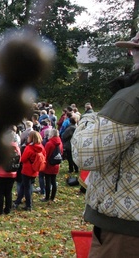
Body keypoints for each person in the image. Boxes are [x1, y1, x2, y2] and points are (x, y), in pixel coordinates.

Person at [72, 33, 139, 257]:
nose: (132, 56)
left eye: (134, 50)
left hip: (125, 230)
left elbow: (85, 154)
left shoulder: (130, 99)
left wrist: (88, 118)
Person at [13, 131, 46, 211]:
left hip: (27, 170)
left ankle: (29, 205)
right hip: (35, 170)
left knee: (26, 188)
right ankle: (17, 201)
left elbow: (23, 159)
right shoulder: (41, 147)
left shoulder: (29, 148)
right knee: (23, 186)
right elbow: (44, 156)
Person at [0, 129, 20, 215]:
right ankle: (8, 209)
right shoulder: (16, 147)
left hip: (0, 172)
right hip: (12, 173)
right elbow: (20, 159)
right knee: (8, 192)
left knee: (0, 192)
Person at [41, 129, 62, 202]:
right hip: (56, 164)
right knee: (54, 181)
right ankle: (52, 197)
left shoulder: (49, 143)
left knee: (47, 181)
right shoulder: (59, 142)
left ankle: (47, 197)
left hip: (49, 165)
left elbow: (45, 154)